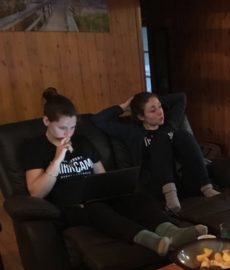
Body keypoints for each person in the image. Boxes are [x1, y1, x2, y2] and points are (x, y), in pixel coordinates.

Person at [23, 88, 207, 257]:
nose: (68, 134)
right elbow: (36, 192)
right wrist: (57, 160)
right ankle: (153, 241)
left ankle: (173, 232)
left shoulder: (82, 142)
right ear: (46, 121)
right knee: (97, 209)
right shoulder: (35, 148)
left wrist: (114, 190)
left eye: (72, 127)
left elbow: (102, 176)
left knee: (137, 198)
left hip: (95, 196)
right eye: (62, 128)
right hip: (72, 206)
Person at [92, 92, 219, 213]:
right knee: (160, 138)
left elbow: (181, 98)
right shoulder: (132, 132)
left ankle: (206, 187)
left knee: (182, 135)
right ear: (141, 116)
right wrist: (124, 107)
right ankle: (170, 197)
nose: (160, 112)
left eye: (160, 107)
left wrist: (153, 101)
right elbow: (98, 120)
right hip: (156, 187)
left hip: (180, 181)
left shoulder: (169, 124)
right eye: (153, 110)